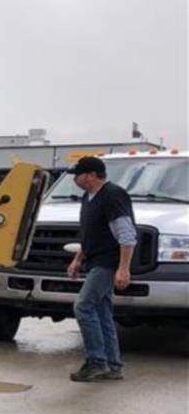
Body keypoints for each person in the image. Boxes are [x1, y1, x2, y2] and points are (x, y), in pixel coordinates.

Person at [65, 156, 137, 381]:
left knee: (83, 307)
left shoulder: (112, 195)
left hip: (108, 262)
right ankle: (113, 365)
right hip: (95, 260)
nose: (75, 178)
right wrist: (78, 259)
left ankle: (97, 361)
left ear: (91, 175)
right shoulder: (89, 197)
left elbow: (126, 235)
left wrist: (123, 268)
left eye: (78, 174)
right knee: (102, 312)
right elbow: (91, 234)